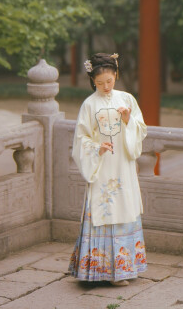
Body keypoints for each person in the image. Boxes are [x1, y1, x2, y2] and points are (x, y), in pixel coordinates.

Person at [68, 52, 148, 286]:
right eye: (99, 82)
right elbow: (80, 138)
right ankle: (102, 271)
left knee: (124, 205)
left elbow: (141, 129)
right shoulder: (89, 104)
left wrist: (127, 120)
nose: (105, 86)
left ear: (116, 76)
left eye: (109, 81)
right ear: (92, 80)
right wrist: (96, 148)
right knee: (104, 207)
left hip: (122, 163)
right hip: (102, 165)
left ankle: (124, 268)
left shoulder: (127, 99)